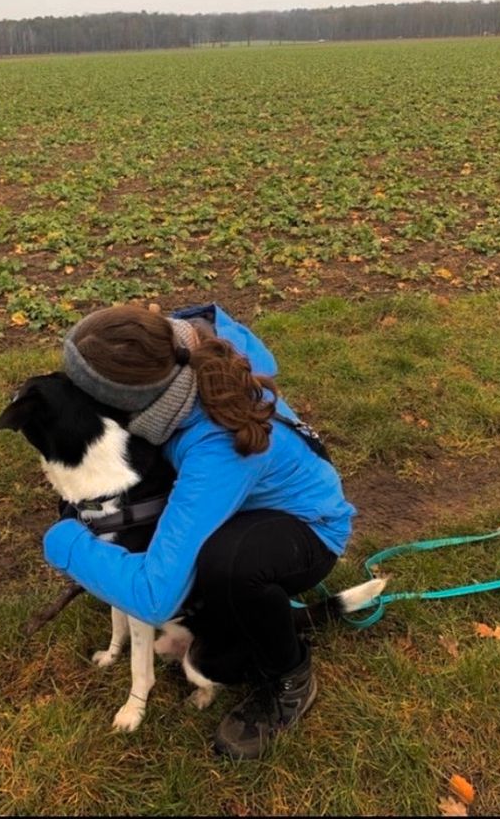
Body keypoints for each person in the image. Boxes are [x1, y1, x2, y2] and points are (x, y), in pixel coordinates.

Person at [42, 301, 355, 759]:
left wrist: (66, 542)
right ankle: (253, 619)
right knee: (203, 575)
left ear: (125, 404)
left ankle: (288, 674)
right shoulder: (179, 349)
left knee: (225, 567)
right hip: (245, 507)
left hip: (310, 530)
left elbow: (154, 597)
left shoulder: (217, 448)